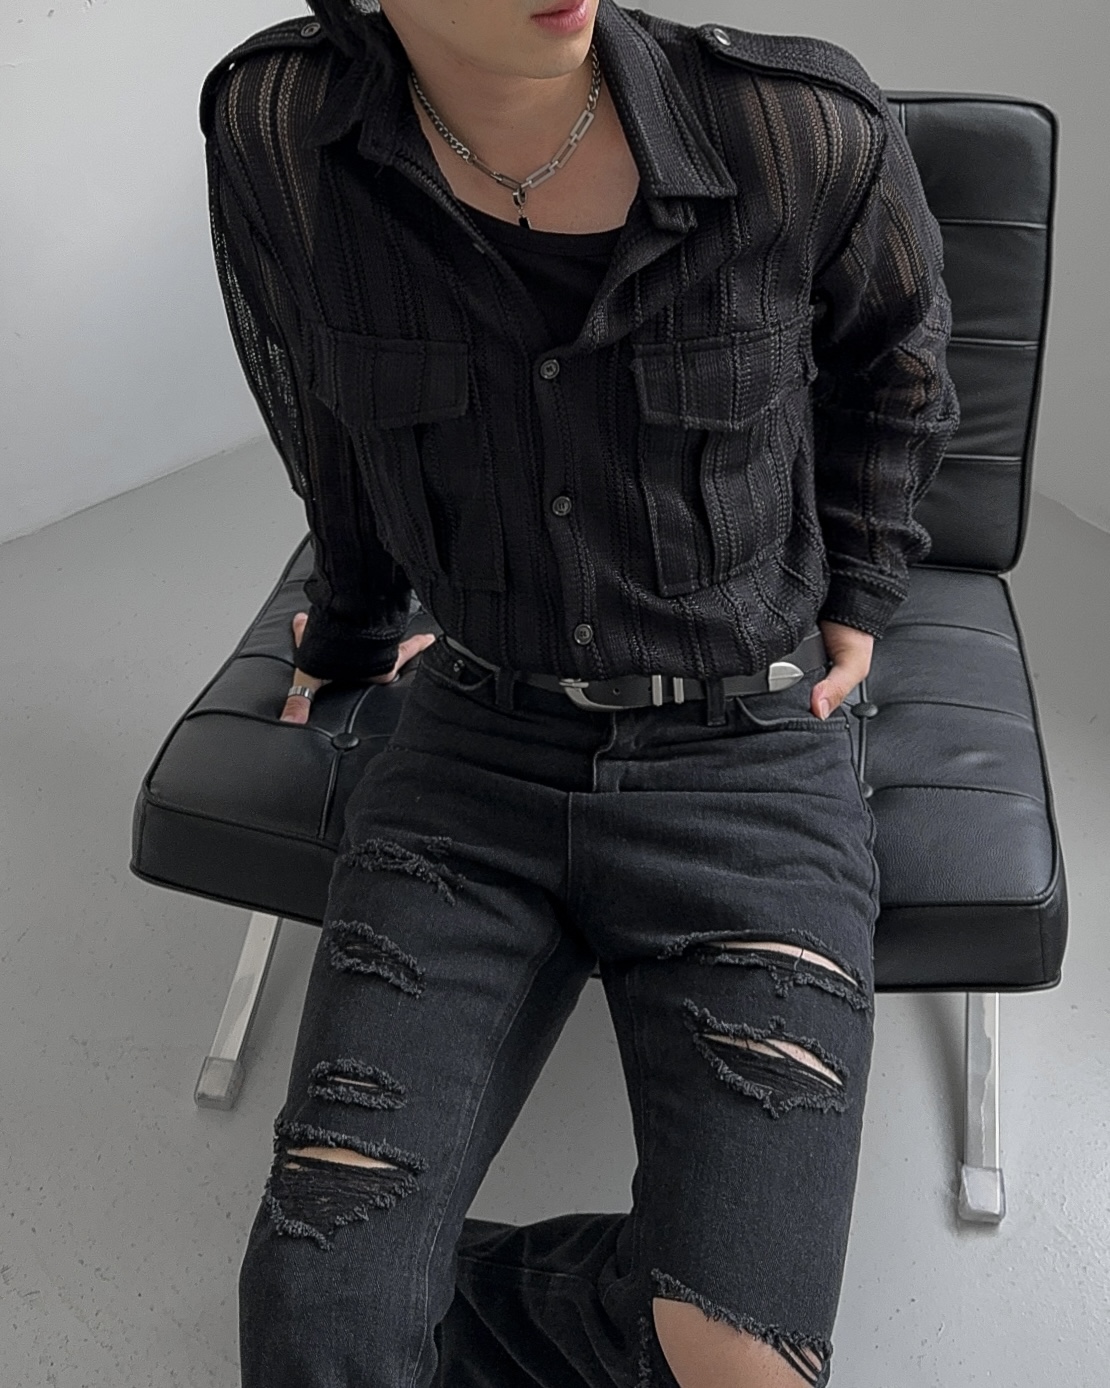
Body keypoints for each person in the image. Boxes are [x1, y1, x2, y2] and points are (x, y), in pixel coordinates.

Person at [200, 0, 959, 1383]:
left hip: (743, 756)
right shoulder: (280, 126)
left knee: (739, 1367)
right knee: (321, 1335)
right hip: (470, 751)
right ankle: (366, 1273)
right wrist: (354, 630)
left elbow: (897, 370)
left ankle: (426, 1270)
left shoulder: (794, 125)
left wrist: (860, 586)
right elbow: (328, 421)